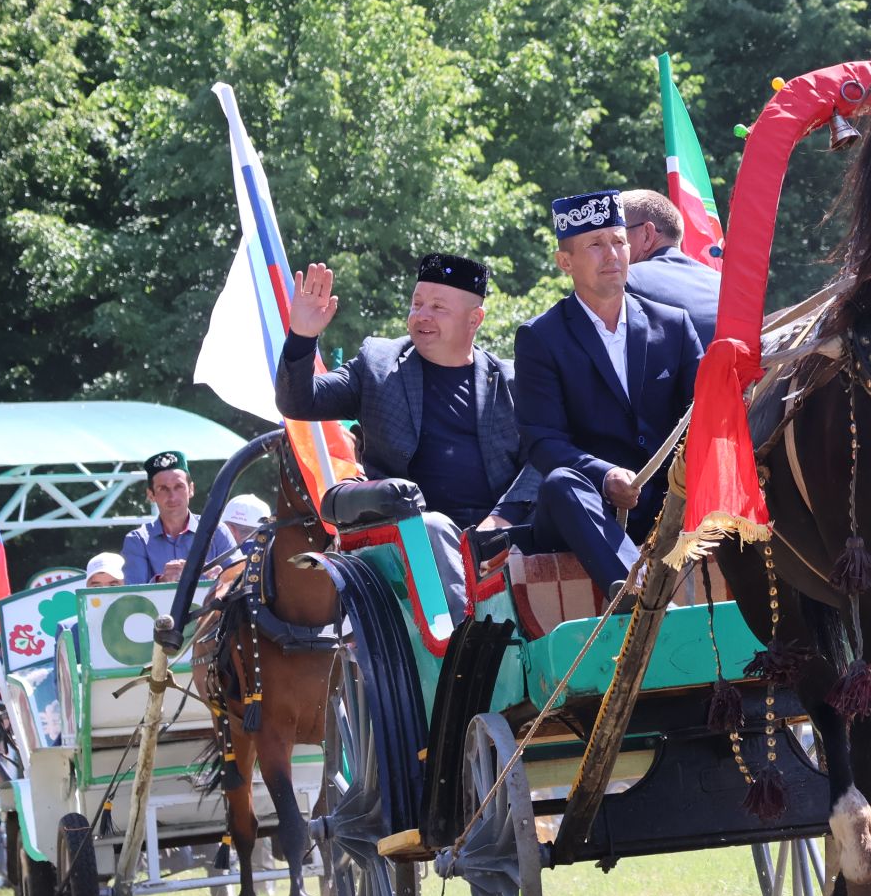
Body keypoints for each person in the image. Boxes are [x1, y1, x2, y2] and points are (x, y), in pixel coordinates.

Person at [277, 255, 542, 611]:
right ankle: (463, 642)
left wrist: (501, 519)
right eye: (417, 304)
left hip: (499, 532)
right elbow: (298, 402)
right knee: (431, 528)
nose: (422, 316)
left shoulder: (510, 381)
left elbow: (543, 455)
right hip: (408, 536)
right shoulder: (378, 365)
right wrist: (302, 337)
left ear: (474, 319)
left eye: (437, 307)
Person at [513, 191, 703, 598]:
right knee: (561, 483)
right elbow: (543, 443)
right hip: (586, 510)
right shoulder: (540, 338)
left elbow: (702, 415)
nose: (612, 254)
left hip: (669, 503)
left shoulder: (674, 325)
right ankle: (639, 595)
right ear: (565, 262)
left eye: (618, 241)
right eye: (595, 245)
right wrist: (605, 475)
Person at [619, 189, 721, 344]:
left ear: (647, 234)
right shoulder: (724, 284)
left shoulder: (625, 281)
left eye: (617, 235)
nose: (609, 248)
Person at [120, 450, 237, 585]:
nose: (173, 496)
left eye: (179, 487)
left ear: (191, 489)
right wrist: (162, 581)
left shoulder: (217, 531)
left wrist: (222, 578)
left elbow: (241, 580)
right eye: (163, 489)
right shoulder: (137, 541)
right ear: (151, 495)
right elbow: (134, 598)